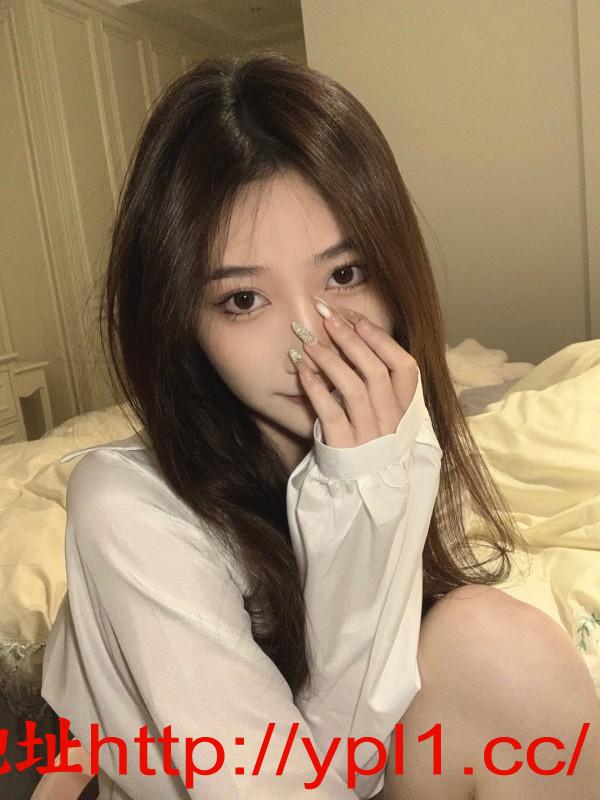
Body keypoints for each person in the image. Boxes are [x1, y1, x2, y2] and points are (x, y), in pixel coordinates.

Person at [40, 51, 600, 800]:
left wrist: (370, 482)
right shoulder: (128, 505)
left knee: (499, 646)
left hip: (337, 766)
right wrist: (360, 493)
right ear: (181, 322)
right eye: (243, 300)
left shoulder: (392, 425)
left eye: (345, 275)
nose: (311, 342)